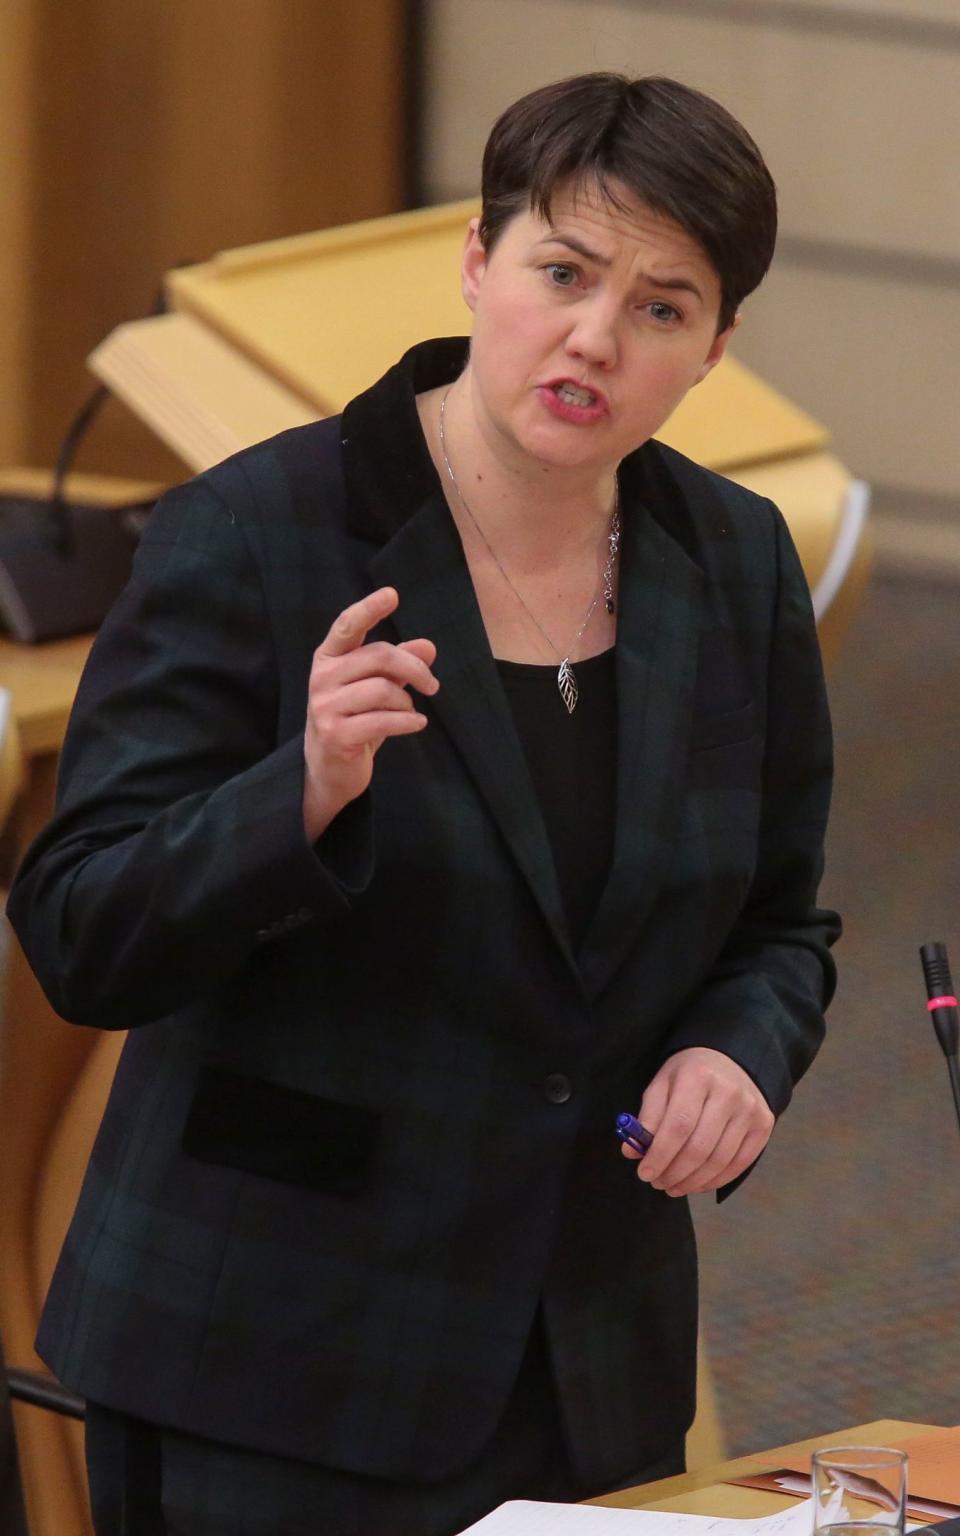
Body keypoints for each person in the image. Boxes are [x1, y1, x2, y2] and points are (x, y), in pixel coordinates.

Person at [8, 72, 840, 1536]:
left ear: (715, 348)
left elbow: (779, 923)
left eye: (662, 306)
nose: (596, 336)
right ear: (476, 261)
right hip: (275, 1369)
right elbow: (79, 929)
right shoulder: (256, 532)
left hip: (586, 1364)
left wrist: (738, 1054)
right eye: (563, 274)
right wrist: (303, 792)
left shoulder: (737, 563)